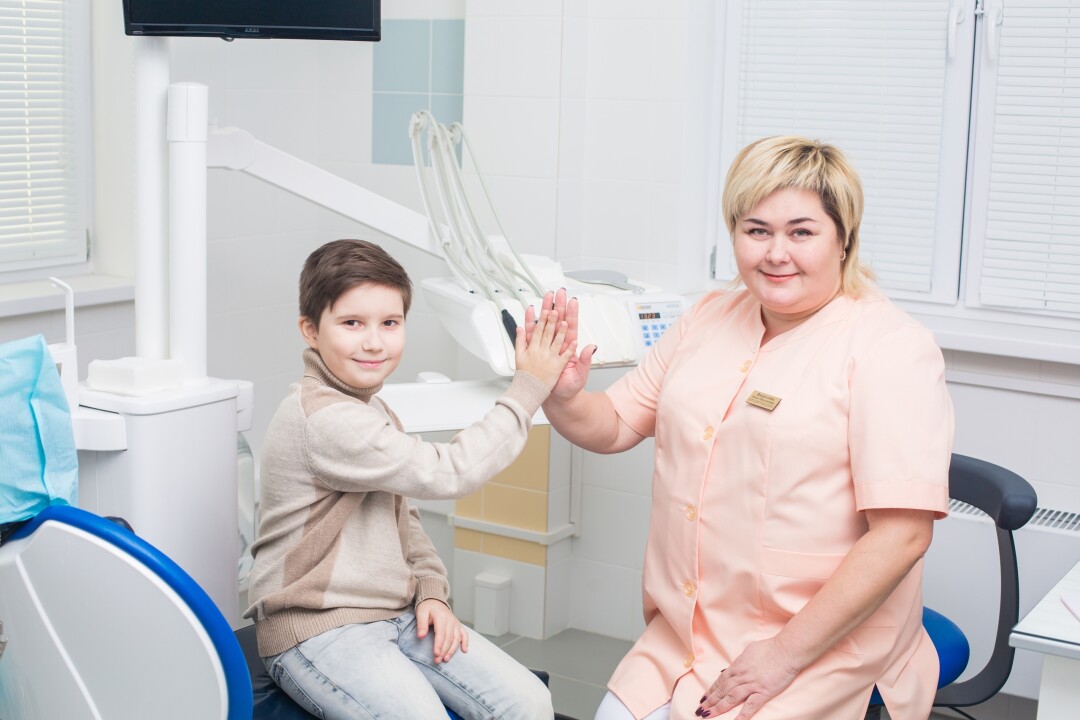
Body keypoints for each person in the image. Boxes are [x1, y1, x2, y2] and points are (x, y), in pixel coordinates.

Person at [530, 136, 954, 720]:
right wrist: (562, 395)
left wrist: (782, 655)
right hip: (687, 633)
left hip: (815, 643)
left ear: (844, 237)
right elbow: (616, 424)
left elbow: (902, 535)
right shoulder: (707, 318)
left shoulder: (890, 348)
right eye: (757, 230)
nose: (776, 253)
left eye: (801, 232)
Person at [243, 238, 572, 719]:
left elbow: (404, 518)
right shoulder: (323, 419)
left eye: (390, 323)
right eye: (352, 323)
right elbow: (450, 471)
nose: (374, 342)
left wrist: (431, 592)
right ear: (310, 330)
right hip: (317, 628)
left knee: (529, 702)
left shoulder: (371, 408)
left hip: (395, 615)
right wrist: (529, 386)